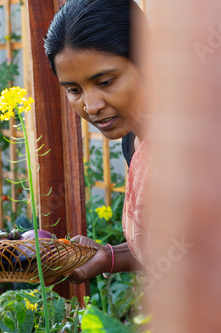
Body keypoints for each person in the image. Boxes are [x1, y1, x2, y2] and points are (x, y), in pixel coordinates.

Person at [44, 0, 149, 284]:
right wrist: (109, 256)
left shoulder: (193, 149)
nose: (91, 106)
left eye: (105, 82)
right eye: (74, 90)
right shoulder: (134, 142)